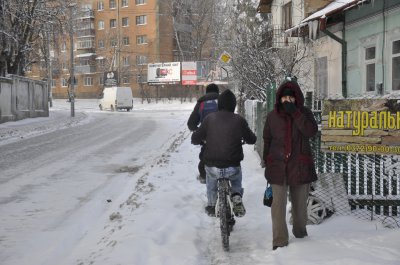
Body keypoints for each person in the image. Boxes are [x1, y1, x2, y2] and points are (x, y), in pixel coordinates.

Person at [263, 79, 318, 250]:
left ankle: (301, 234)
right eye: (284, 99)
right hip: (278, 167)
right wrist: (267, 161)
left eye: (291, 99)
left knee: (300, 207)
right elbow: (267, 139)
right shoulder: (272, 116)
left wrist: (295, 113)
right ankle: (279, 241)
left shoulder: (305, 113)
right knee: (277, 206)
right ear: (279, 99)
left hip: (300, 166)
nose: (287, 102)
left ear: (297, 99)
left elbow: (311, 131)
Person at [191, 89, 257, 217]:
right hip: (232, 166)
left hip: (213, 166)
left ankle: (211, 204)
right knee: (236, 179)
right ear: (234, 105)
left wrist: (199, 140)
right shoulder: (239, 120)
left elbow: (195, 138)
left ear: (219, 104)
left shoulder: (209, 119)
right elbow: (252, 139)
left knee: (211, 180)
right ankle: (236, 195)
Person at [187, 83, 219, 184]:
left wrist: (198, 130)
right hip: (225, 134)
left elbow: (191, 124)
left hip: (207, 137)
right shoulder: (223, 100)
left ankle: (204, 177)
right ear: (217, 92)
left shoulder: (201, 102)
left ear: (207, 92)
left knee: (205, 158)